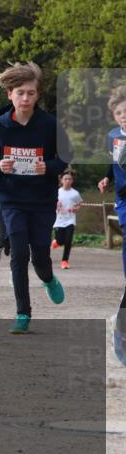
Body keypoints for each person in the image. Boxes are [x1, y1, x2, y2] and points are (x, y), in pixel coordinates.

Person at [0, 62, 69, 335]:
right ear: (10, 94)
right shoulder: (0, 125)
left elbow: (67, 156)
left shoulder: (49, 124)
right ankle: (23, 312)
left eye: (31, 93)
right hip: (12, 199)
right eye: (20, 92)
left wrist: (50, 167)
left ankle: (48, 278)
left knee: (40, 258)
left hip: (42, 200)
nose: (25, 98)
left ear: (38, 95)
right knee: (19, 254)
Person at [97, 84, 126, 315]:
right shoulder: (113, 136)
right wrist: (106, 178)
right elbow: (113, 162)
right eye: (119, 113)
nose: (123, 116)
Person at [53, 171, 83, 269]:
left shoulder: (75, 193)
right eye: (65, 179)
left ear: (72, 181)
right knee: (61, 241)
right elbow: (50, 203)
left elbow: (79, 204)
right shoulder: (57, 192)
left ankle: (65, 261)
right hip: (58, 220)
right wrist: (56, 204)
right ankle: (56, 242)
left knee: (68, 241)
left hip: (70, 220)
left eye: (69, 179)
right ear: (61, 180)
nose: (67, 181)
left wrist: (76, 208)